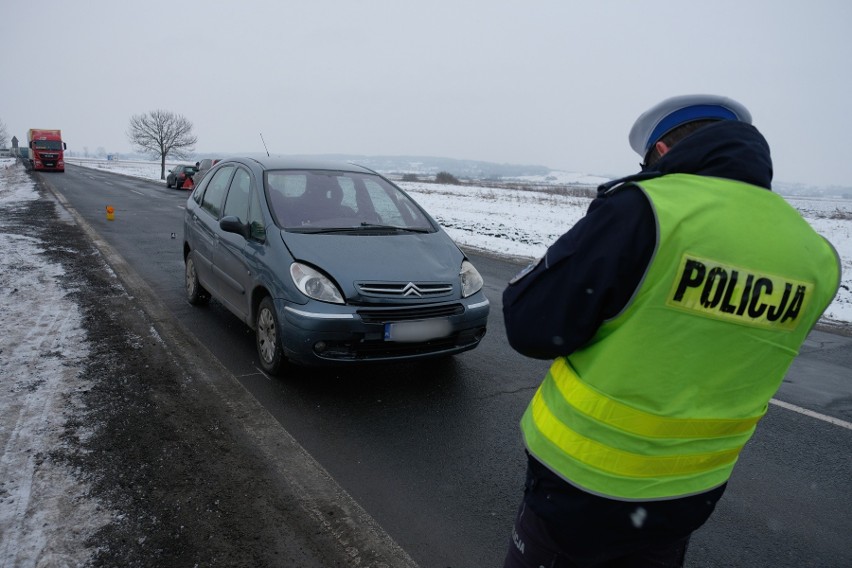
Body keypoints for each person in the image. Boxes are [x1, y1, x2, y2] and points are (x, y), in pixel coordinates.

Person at [502, 94, 841, 567]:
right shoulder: (816, 254)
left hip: (583, 482)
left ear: (661, 152)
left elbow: (531, 327)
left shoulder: (645, 208)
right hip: (692, 491)